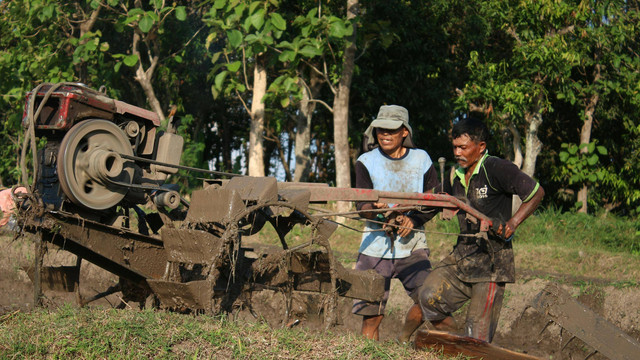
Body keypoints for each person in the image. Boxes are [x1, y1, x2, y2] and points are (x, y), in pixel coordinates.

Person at [413, 117, 544, 343]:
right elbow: (433, 203)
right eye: (455, 147)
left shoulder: (496, 168)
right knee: (428, 297)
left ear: (480, 146)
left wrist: (512, 223)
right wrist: (408, 218)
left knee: (477, 338)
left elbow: (536, 192)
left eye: (463, 147)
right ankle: (454, 342)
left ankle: (467, 346)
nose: (457, 152)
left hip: (491, 263)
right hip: (461, 257)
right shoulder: (455, 173)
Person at [352, 105, 439, 341]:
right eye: (380, 129)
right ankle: (368, 355)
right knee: (371, 315)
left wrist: (413, 219)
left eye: (391, 130)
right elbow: (362, 205)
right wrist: (376, 213)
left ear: (404, 132)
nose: (384, 134)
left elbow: (434, 200)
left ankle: (403, 339)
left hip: (412, 245)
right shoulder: (365, 161)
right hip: (374, 247)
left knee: (430, 301)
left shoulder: (422, 159)